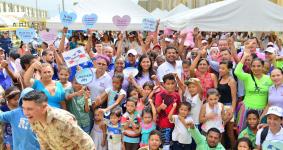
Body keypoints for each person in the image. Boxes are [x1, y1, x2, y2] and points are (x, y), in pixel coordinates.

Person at [22, 90, 95, 149]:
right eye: (23, 108)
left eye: (30, 109)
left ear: (44, 107)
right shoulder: (34, 120)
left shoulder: (62, 120)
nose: (25, 113)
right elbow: (44, 144)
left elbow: (87, 143)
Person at [235, 47, 272, 131]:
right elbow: (237, 72)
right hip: (247, 110)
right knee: (243, 132)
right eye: (253, 66)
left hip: (262, 111)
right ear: (250, 67)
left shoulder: (269, 79)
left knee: (259, 134)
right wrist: (245, 56)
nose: (256, 68)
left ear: (263, 67)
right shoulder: (247, 77)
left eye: (259, 66)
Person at [155, 73, 181, 150]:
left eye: (172, 83)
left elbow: (179, 108)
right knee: (165, 146)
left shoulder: (177, 95)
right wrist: (160, 107)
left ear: (175, 84)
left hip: (175, 125)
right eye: (168, 84)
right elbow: (156, 111)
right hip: (164, 126)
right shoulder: (159, 95)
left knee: (173, 145)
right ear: (164, 84)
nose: (170, 86)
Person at [217, 60, 237, 148]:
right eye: (220, 68)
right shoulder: (219, 78)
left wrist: (232, 110)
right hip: (219, 107)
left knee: (230, 132)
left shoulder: (231, 81)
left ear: (229, 69)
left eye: (223, 68)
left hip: (228, 106)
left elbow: (234, 98)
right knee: (221, 131)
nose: (220, 70)